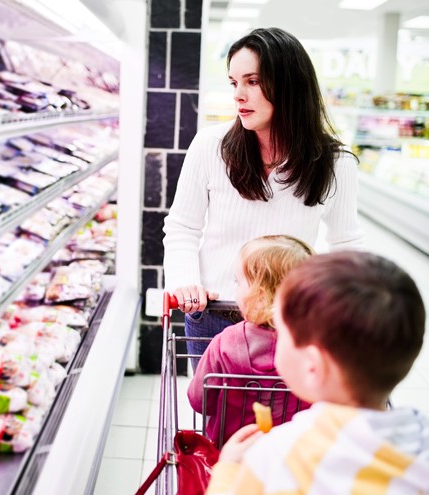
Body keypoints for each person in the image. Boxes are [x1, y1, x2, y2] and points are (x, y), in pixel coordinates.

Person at [162, 27, 364, 360]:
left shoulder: (336, 162)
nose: (238, 95)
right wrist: (185, 281)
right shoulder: (211, 146)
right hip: (214, 314)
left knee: (286, 414)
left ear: (290, 85)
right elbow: (182, 227)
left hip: (289, 322)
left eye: (252, 81)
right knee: (216, 412)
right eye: (234, 82)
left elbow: (346, 243)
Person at [206, 251, 429, 494]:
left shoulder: (276, 456)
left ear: (312, 366)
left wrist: (227, 468)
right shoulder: (421, 440)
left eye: (281, 331)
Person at [187, 235, 313, 446]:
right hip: (293, 451)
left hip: (232, 449)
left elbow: (199, 401)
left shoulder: (225, 343)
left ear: (260, 297)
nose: (235, 290)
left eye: (238, 282)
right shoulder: (316, 347)